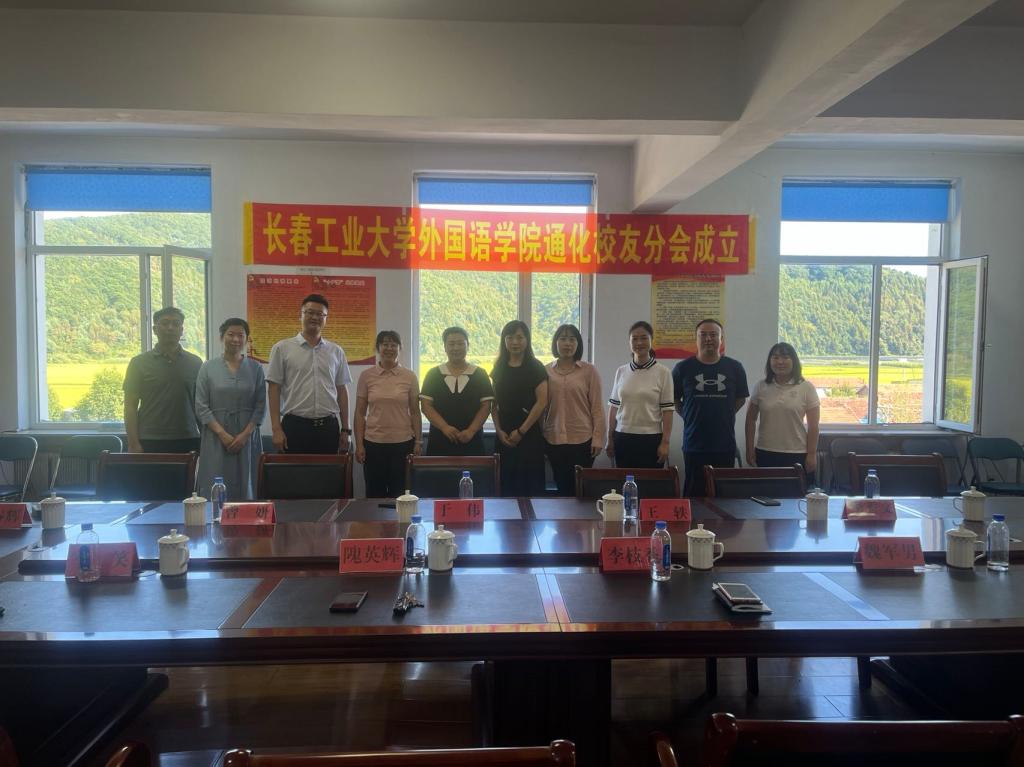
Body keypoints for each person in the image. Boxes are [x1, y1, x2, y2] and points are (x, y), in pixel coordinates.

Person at [266, 294, 352, 454]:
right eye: (310, 312)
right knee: (294, 471)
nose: (315, 317)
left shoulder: (336, 351)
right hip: (294, 428)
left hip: (328, 428)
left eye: (320, 314)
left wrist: (346, 429)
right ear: (300, 315)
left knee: (329, 471)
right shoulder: (282, 348)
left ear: (326, 318)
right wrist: (276, 429)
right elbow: (274, 389)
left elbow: (342, 390)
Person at [672, 319, 749, 497]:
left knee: (723, 495)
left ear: (721, 339)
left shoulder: (735, 367)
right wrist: (689, 415)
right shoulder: (683, 368)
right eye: (703, 335)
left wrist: (726, 414)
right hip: (694, 444)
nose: (708, 339)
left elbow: (741, 398)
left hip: (724, 444)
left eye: (713, 335)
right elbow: (674, 399)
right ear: (696, 338)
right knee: (694, 494)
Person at [195, 318, 266, 500]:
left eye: (240, 335)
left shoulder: (256, 368)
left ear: (246, 339)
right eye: (231, 334)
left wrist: (244, 435)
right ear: (221, 337)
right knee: (215, 484)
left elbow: (260, 406)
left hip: (247, 436)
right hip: (216, 436)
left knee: (248, 484)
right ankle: (215, 517)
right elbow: (201, 406)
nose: (235, 339)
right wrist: (223, 435)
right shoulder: (207, 367)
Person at [123, 306, 203, 454]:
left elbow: (200, 405)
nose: (170, 328)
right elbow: (130, 406)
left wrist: (205, 440)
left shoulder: (195, 363)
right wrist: (133, 443)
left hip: (188, 438)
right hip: (149, 439)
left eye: (176, 324)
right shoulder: (138, 363)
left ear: (182, 330)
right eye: (165, 323)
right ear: (155, 329)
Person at [354, 330, 422, 498]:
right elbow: (360, 413)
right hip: (373, 444)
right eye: (385, 344)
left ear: (400, 348)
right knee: (374, 493)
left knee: (400, 494)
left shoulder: (409, 376)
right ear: (378, 348)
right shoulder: (366, 376)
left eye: (394, 345)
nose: (389, 348)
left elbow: (415, 412)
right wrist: (359, 444)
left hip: (403, 443)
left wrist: (418, 441)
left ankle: (399, 518)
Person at [543, 324, 605, 496]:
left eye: (572, 339)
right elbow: (542, 408)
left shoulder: (589, 371)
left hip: (583, 439)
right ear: (556, 343)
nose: (567, 343)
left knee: (581, 490)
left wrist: (598, 438)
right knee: (561, 487)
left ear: (578, 344)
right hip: (554, 439)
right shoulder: (546, 371)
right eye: (563, 339)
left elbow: (597, 408)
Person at [745, 342, 820, 483]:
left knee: (797, 495)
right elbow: (750, 419)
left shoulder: (806, 387)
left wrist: (811, 453)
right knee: (767, 494)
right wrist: (749, 449)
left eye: (785, 357)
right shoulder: (761, 386)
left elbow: (813, 425)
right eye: (775, 357)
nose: (780, 362)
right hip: (765, 452)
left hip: (797, 453)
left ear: (794, 361)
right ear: (770, 361)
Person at [491, 320, 549, 496]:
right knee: (505, 487)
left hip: (529, 434)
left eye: (519, 337)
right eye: (510, 337)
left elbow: (542, 401)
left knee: (531, 488)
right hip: (504, 436)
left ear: (527, 340)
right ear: (504, 340)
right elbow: (494, 403)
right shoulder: (499, 367)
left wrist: (521, 431)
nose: (514, 342)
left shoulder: (535, 367)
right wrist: (499, 430)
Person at [606, 321, 674, 469]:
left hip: (651, 439)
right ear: (629, 342)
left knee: (650, 481)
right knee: (627, 480)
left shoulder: (663, 372)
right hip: (623, 438)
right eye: (634, 339)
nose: (639, 343)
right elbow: (614, 407)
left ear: (651, 340)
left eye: (644, 338)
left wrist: (665, 442)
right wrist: (609, 438)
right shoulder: (621, 371)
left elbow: (668, 411)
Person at [420, 327, 494, 456]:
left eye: (460, 343)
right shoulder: (433, 374)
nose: (456, 348)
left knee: (473, 469)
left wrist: (471, 431)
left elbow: (486, 406)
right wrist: (444, 427)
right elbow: (426, 406)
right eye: (451, 344)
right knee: (439, 469)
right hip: (439, 439)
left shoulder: (480, 374)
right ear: (444, 347)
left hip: (472, 440)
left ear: (468, 345)